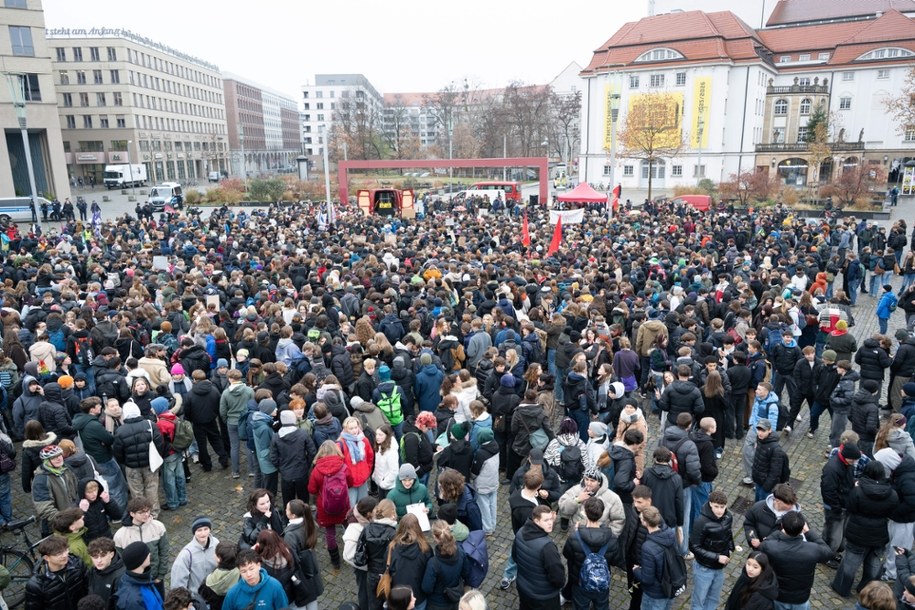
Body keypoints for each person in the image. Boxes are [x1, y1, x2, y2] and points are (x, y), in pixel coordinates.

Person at [833, 460, 900, 597]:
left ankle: (842, 587)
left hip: (858, 533)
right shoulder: (892, 494)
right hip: (879, 534)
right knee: (873, 564)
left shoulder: (858, 490)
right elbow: (892, 511)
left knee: (850, 563)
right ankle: (868, 590)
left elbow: (850, 508)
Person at [760, 511, 832, 610]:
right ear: (802, 528)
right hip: (800, 599)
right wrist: (808, 532)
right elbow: (828, 552)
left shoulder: (771, 547)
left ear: (782, 525)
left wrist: (779, 532)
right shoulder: (812, 549)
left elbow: (763, 545)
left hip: (778, 595)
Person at [561, 497, 623, 610]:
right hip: (602, 582)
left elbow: (567, 554)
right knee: (602, 606)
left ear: (585, 512)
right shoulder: (612, 539)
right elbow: (615, 560)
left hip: (580, 581)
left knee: (580, 606)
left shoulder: (575, 537)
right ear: (602, 513)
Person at [308, 439, 354, 569]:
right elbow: (350, 483)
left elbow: (311, 489)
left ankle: (335, 561)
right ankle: (352, 550)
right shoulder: (343, 467)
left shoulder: (317, 470)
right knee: (349, 526)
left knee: (330, 534)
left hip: (325, 507)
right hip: (343, 504)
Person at [689, 489, 736, 610]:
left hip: (719, 567)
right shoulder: (701, 522)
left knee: (714, 598)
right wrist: (717, 557)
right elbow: (694, 546)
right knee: (699, 600)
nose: (719, 510)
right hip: (704, 568)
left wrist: (730, 548)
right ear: (710, 504)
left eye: (722, 507)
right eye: (716, 506)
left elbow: (729, 534)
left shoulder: (728, 516)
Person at [511, 505, 565, 610]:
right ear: (536, 521)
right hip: (543, 597)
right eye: (546, 520)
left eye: (551, 519)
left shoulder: (521, 532)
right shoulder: (547, 547)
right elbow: (558, 578)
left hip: (524, 589)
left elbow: (515, 557)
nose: (550, 523)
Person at [112, 497, 168, 596]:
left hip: (156, 578)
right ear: (132, 513)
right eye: (141, 512)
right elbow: (121, 562)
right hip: (135, 581)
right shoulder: (120, 536)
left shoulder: (159, 527)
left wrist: (160, 575)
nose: (146, 514)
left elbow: (164, 552)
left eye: (148, 511)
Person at [820, 442, 861, 569]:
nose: (854, 462)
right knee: (833, 535)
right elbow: (828, 491)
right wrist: (837, 508)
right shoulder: (832, 468)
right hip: (836, 508)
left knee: (838, 534)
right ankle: (826, 556)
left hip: (843, 505)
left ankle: (833, 552)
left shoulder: (846, 464)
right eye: (853, 460)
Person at [353, 499, 398, 610]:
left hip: (372, 573)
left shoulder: (367, 529)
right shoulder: (393, 533)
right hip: (389, 574)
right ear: (392, 513)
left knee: (373, 604)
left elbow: (360, 556)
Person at [25, 534, 88, 610]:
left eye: (66, 550)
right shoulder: (36, 584)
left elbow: (88, 587)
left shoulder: (78, 564)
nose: (65, 555)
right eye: (59, 554)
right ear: (47, 558)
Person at [633, 505, 678, 610]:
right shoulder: (669, 533)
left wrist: (636, 570)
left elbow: (647, 579)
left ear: (646, 523)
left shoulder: (648, 547)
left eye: (641, 518)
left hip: (655, 594)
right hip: (670, 587)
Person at [557, 468, 625, 536]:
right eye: (586, 479)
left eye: (592, 481)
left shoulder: (612, 498)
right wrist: (577, 500)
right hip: (576, 534)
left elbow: (618, 521)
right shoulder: (576, 490)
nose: (588, 483)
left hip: (598, 537)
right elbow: (563, 509)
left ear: (599, 482)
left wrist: (607, 537)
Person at [31, 443, 79, 536]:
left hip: (73, 518)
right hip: (57, 525)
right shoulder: (41, 479)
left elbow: (76, 488)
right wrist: (65, 521)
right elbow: (44, 508)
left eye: (59, 455)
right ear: (46, 461)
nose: (59, 459)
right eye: (53, 457)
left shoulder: (67, 468)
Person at [389, 513, 433, 610]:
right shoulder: (425, 548)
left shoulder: (392, 547)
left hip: (399, 597)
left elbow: (388, 568)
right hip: (419, 596)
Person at [422, 519, 469, 610]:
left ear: (435, 538)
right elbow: (466, 572)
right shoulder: (460, 551)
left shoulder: (433, 563)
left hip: (438, 603)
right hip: (456, 598)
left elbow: (426, 588)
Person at [221, 549, 289, 610]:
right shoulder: (232, 594)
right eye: (243, 571)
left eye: (251, 569)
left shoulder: (275, 586)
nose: (248, 574)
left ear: (259, 565)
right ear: (239, 572)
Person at [170, 515, 218, 594]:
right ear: (194, 532)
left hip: (215, 593)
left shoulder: (216, 543)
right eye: (199, 530)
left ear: (210, 529)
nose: (203, 533)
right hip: (197, 596)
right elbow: (178, 583)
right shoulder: (186, 554)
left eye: (206, 529)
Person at [111, 541, 163, 610]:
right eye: (147, 553)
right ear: (140, 561)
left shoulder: (144, 576)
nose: (149, 554)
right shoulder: (131, 600)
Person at [751, 419, 789, 502]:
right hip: (758, 481)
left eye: (763, 430)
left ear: (769, 430)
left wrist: (766, 487)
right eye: (759, 430)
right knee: (757, 503)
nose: (760, 433)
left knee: (763, 506)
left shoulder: (776, 449)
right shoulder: (760, 439)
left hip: (766, 486)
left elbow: (775, 472)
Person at [199, 542, 240, 610]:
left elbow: (202, 594)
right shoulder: (241, 571)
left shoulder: (210, 581)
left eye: (216, 553)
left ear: (219, 559)